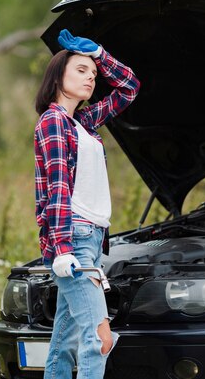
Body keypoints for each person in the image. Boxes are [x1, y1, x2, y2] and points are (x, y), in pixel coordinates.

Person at [33, 29, 140, 379]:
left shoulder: (84, 122)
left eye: (93, 74)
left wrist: (99, 52)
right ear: (58, 74)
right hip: (74, 239)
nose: (91, 78)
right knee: (100, 339)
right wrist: (62, 247)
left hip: (92, 240)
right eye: (81, 69)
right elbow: (57, 187)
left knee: (64, 343)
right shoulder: (53, 122)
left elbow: (129, 87)